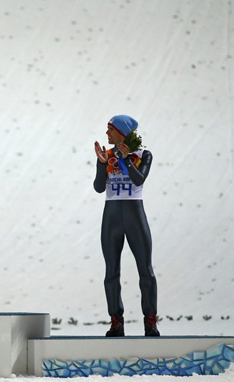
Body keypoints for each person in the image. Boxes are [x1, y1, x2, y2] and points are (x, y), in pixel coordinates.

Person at [93, 115, 160, 337]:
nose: (107, 133)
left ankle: (150, 320)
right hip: (111, 216)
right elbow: (99, 188)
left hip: (134, 215)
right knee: (111, 272)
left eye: (110, 129)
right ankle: (116, 320)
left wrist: (126, 159)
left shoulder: (143, 155)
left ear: (122, 132)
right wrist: (103, 165)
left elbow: (139, 179)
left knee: (146, 271)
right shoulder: (107, 154)